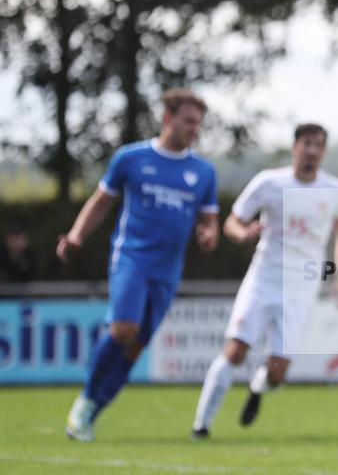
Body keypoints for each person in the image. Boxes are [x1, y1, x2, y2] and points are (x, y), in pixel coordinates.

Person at [58, 88, 219, 442]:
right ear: (168, 118)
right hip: (131, 258)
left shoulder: (203, 172)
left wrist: (208, 234)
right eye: (188, 121)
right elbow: (101, 203)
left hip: (168, 270)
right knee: (123, 330)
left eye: (198, 123)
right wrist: (76, 235)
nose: (194, 128)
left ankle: (89, 414)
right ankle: (85, 399)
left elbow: (210, 221)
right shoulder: (130, 159)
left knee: (133, 347)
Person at [191, 123, 338, 438]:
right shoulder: (268, 182)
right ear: (295, 147)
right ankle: (201, 425)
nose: (311, 150)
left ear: (323, 150)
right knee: (235, 351)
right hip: (263, 278)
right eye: (306, 143)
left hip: (302, 287)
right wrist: (242, 233)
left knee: (278, 373)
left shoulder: (336, 190)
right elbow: (233, 222)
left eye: (318, 144)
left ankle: (257, 387)